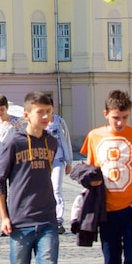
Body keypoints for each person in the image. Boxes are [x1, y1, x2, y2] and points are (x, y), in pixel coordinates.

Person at [81, 90, 132, 264]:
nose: (121, 122)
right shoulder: (95, 136)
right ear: (106, 114)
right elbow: (89, 173)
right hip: (107, 211)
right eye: (116, 118)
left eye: (125, 117)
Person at [0, 91, 59, 264]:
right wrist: (4, 216)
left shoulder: (52, 142)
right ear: (26, 115)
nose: (46, 117)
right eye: (41, 112)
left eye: (49, 111)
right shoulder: (14, 142)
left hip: (48, 218)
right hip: (20, 221)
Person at [46, 98, 74, 233]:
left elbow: (66, 140)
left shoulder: (59, 122)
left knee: (56, 189)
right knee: (45, 190)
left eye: (49, 109)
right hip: (44, 162)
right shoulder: (39, 123)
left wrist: (69, 161)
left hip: (58, 160)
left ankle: (58, 219)